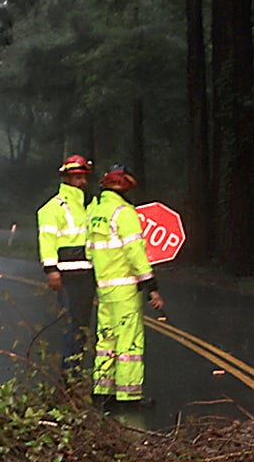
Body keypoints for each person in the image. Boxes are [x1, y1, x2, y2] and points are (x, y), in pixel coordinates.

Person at [84, 165, 164, 414]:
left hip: (104, 288)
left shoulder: (95, 212)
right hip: (125, 288)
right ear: (126, 187)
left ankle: (102, 394)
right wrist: (151, 286)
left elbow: (89, 251)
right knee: (129, 343)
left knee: (106, 340)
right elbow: (135, 253)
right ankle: (129, 397)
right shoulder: (125, 213)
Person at [37, 155, 96, 377]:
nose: (82, 181)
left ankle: (76, 373)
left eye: (84, 177)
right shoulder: (53, 208)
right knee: (74, 326)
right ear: (67, 177)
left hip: (89, 273)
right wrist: (51, 270)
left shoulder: (90, 205)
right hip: (67, 276)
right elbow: (47, 241)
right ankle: (69, 376)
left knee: (83, 327)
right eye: (77, 177)